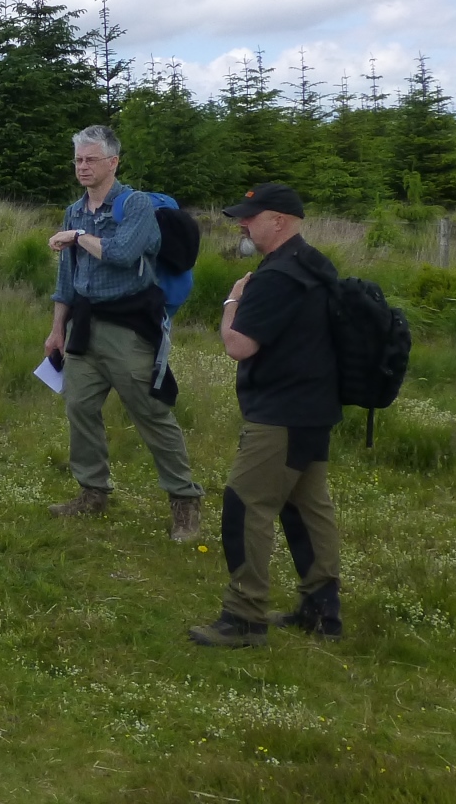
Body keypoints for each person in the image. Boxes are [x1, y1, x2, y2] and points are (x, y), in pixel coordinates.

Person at [190, 183, 343, 648]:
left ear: (278, 220)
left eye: (250, 217)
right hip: (315, 407)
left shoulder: (276, 276)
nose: (242, 223)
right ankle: (321, 612)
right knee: (307, 506)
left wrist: (232, 300)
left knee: (245, 504)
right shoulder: (316, 264)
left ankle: (244, 615)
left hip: (280, 413)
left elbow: (239, 345)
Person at [44, 124, 203, 541]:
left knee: (150, 412)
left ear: (113, 162)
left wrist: (78, 237)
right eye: (78, 159)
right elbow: (66, 277)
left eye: (91, 159)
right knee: (78, 406)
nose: (82, 166)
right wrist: (57, 329)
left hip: (129, 327)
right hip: (83, 324)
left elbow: (122, 253)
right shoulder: (74, 211)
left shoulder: (135, 207)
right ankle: (92, 492)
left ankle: (185, 502)